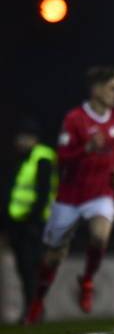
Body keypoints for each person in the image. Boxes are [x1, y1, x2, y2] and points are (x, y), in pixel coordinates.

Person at [24, 66, 114, 324]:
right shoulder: (75, 119)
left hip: (100, 193)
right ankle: (38, 300)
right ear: (96, 89)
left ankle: (87, 280)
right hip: (69, 198)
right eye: (112, 88)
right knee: (52, 257)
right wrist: (86, 149)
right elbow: (62, 159)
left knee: (99, 236)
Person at [4, 119, 58, 321]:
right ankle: (32, 308)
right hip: (18, 222)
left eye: (23, 137)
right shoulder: (21, 158)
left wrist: (33, 219)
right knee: (24, 267)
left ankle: (33, 309)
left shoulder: (42, 157)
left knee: (30, 266)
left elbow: (43, 192)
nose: (19, 141)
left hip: (34, 223)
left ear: (33, 138)